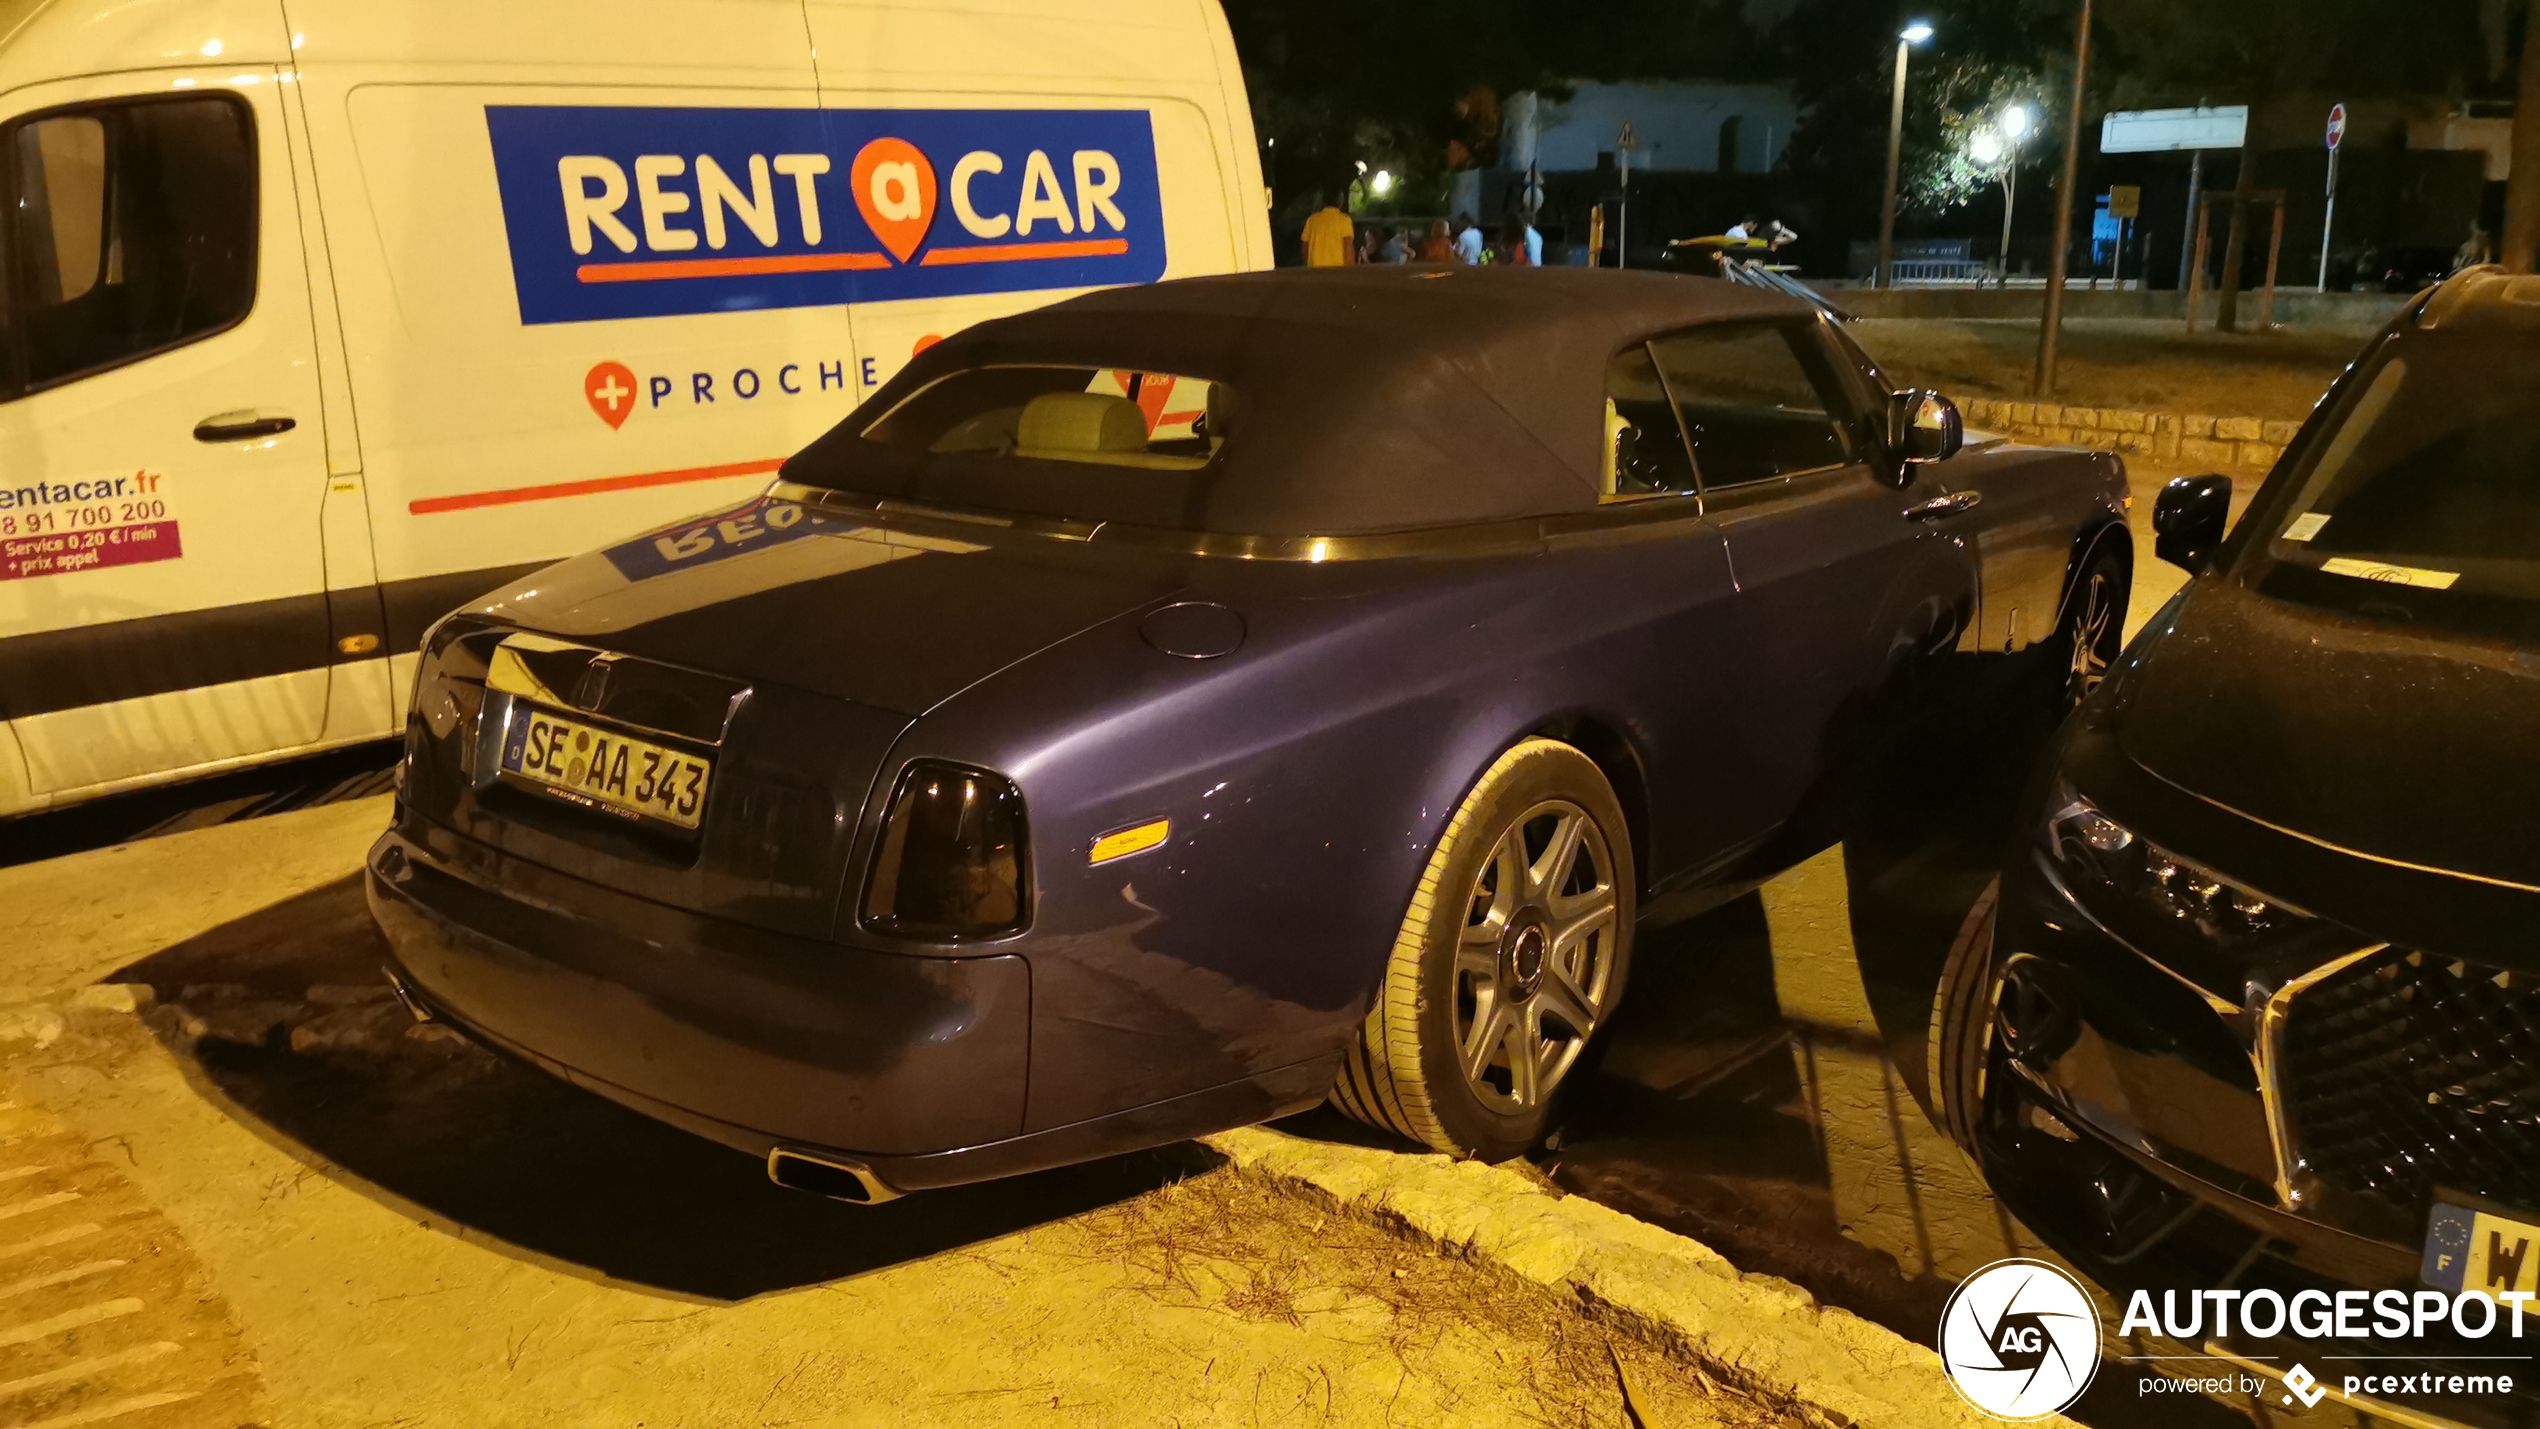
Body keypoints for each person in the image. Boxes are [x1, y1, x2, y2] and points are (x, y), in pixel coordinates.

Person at [1300, 195, 1356, 267]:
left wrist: (1308, 266)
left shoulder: (1311, 220)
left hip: (1315, 270)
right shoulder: (1344, 220)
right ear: (1340, 203)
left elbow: (1305, 247)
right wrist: (1349, 269)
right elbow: (1348, 247)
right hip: (1337, 271)